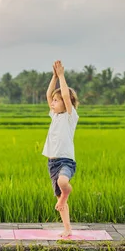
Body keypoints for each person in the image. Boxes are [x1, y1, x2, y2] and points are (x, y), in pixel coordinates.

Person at [43, 60, 80, 238]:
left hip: (66, 161)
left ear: (67, 104)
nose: (53, 103)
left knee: (63, 184)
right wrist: (54, 77)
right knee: (59, 199)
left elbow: (65, 96)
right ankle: (67, 229)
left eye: (57, 101)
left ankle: (65, 194)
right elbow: (49, 94)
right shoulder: (55, 116)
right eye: (54, 101)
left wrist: (62, 76)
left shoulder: (69, 117)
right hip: (52, 163)